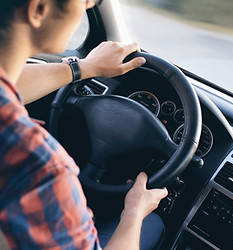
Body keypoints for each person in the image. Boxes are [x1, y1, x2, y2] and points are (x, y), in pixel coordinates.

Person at [0, 0, 168, 249]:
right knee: (153, 224)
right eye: (86, 0)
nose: (88, 6)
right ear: (39, 8)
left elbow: (8, 85)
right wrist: (134, 211)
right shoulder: (40, 169)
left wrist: (84, 67)